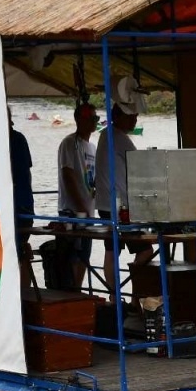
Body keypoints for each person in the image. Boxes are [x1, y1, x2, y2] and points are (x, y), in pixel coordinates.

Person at [94, 76, 154, 298]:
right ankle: (134, 296)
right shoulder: (117, 137)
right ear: (119, 117)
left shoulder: (105, 135)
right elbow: (141, 165)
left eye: (135, 117)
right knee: (145, 250)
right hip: (120, 207)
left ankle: (114, 296)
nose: (134, 122)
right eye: (131, 117)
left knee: (112, 251)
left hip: (107, 204)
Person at [55, 102, 98, 290]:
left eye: (95, 118)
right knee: (71, 257)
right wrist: (80, 206)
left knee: (84, 257)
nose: (94, 121)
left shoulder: (92, 148)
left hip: (88, 212)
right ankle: (71, 293)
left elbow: (93, 179)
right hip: (71, 212)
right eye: (91, 118)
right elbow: (68, 174)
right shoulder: (69, 143)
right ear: (79, 120)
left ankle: (78, 292)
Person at [8, 109, 35, 282]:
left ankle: (23, 294)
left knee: (16, 252)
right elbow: (27, 173)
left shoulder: (14, 140)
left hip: (18, 206)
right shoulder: (18, 139)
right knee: (20, 250)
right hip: (24, 205)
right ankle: (24, 293)